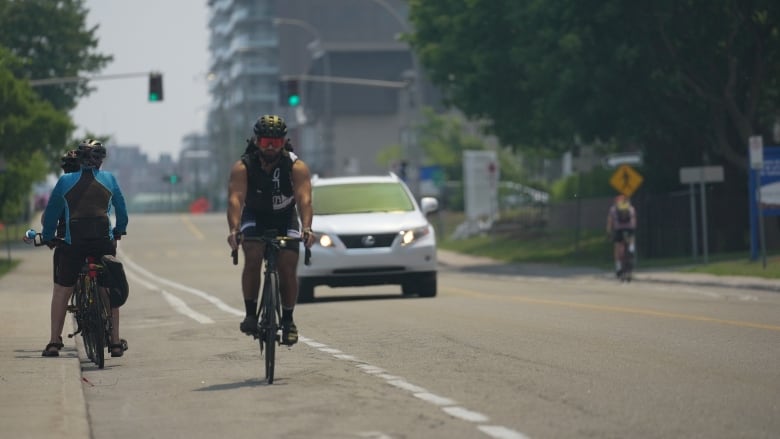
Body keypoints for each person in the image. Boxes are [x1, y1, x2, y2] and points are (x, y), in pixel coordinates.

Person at [226, 114, 315, 345]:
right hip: (254, 216)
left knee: (287, 264)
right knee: (253, 256)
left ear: (285, 142)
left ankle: (288, 320)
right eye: (266, 141)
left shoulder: (296, 166)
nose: (271, 147)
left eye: (276, 142)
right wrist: (234, 229)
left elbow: (305, 200)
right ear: (257, 141)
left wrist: (307, 228)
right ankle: (250, 314)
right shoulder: (243, 166)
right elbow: (236, 199)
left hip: (285, 217)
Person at [40, 139, 129, 357]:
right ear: (100, 160)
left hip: (74, 243)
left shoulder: (65, 181)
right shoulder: (109, 179)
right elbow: (122, 210)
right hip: (103, 242)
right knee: (107, 287)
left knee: (63, 289)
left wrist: (49, 236)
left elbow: (51, 215)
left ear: (80, 159)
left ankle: (54, 342)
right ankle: (115, 342)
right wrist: (119, 230)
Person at [606, 194, 637, 277]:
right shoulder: (631, 208)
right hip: (629, 228)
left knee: (617, 247)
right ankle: (631, 249)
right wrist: (633, 229)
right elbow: (634, 220)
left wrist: (609, 232)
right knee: (631, 239)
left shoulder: (613, 209)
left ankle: (618, 267)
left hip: (618, 230)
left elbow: (610, 222)